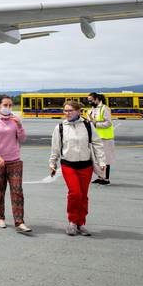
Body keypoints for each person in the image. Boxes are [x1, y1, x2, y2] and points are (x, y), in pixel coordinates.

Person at [49, 100, 106, 236]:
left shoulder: (88, 125)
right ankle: (72, 222)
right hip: (68, 165)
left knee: (83, 195)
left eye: (70, 110)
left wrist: (101, 161)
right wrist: (52, 163)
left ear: (78, 111)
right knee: (75, 193)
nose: (67, 113)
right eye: (65, 110)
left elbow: (97, 143)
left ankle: (81, 223)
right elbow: (55, 147)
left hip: (86, 165)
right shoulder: (60, 127)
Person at [0, 96, 32, 233]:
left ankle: (19, 221)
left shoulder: (15, 119)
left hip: (14, 161)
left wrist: (19, 125)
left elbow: (22, 139)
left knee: (17, 191)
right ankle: (0, 217)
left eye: (10, 105)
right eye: (5, 105)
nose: (8, 107)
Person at [88, 92, 114, 185]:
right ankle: (100, 176)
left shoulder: (104, 108)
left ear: (97, 99)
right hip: (95, 137)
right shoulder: (91, 110)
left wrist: (96, 124)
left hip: (105, 137)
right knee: (98, 158)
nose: (89, 102)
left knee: (105, 158)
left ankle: (106, 179)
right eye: (88, 101)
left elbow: (108, 123)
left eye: (91, 100)